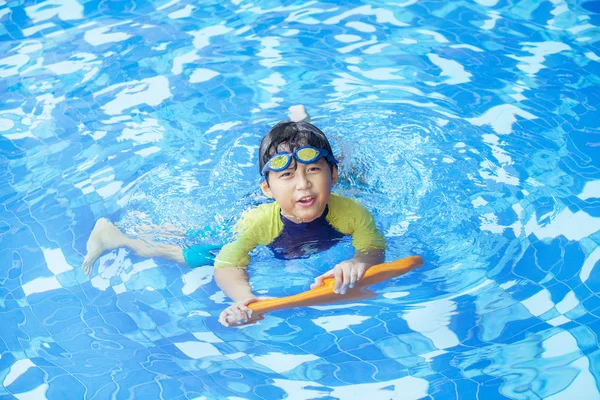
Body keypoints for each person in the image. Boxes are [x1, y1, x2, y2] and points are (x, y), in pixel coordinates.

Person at [81, 105, 386, 327]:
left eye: (314, 170)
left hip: (324, 203)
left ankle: (304, 127)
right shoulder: (258, 222)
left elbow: (373, 246)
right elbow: (228, 267)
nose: (303, 183)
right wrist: (245, 296)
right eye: (288, 174)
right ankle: (114, 235)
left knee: (354, 178)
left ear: (331, 174)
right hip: (253, 222)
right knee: (197, 251)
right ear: (267, 188)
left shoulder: (352, 212)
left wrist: (358, 263)